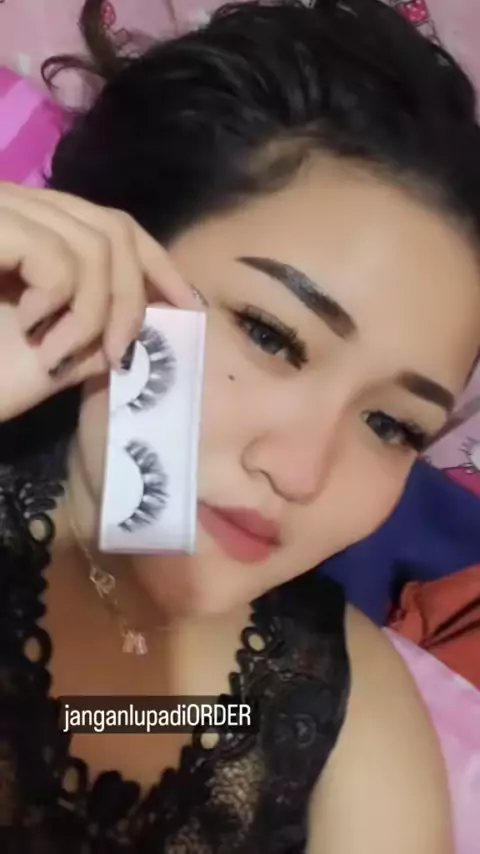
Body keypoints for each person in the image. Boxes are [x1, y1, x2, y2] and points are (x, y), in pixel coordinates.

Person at [2, 0, 480, 849]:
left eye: (391, 424)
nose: (300, 473)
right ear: (111, 243)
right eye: (269, 334)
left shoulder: (350, 719)